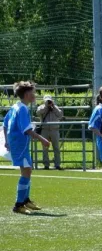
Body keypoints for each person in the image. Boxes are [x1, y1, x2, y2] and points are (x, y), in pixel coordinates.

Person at [5, 81, 50, 214]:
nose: (34, 95)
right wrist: (43, 139)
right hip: (20, 146)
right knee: (26, 172)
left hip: (18, 145)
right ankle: (18, 204)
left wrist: (7, 141)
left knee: (27, 171)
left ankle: (25, 200)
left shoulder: (15, 107)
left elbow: (5, 124)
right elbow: (27, 130)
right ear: (26, 94)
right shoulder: (23, 109)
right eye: (32, 92)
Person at [36, 95, 64, 170]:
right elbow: (38, 113)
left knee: (56, 148)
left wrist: (53, 106)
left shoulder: (55, 107)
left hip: (54, 130)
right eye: (47, 101)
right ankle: (46, 165)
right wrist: (46, 106)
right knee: (45, 148)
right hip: (45, 130)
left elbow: (60, 115)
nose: (48, 102)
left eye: (49, 100)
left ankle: (57, 164)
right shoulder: (41, 107)